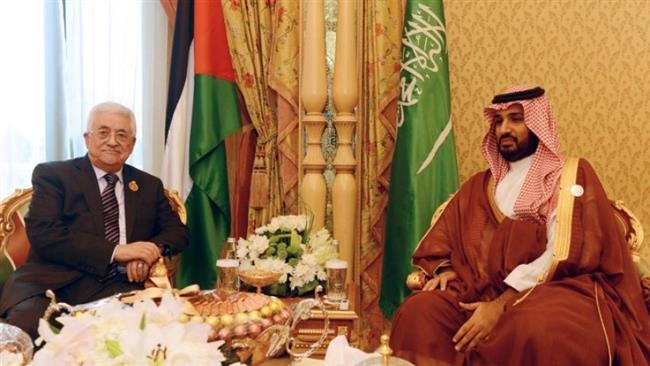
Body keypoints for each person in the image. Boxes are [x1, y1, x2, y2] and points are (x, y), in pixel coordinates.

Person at [389, 86, 650, 365]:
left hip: (555, 289)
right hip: (480, 289)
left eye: (516, 119)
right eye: (498, 121)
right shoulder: (481, 185)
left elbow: (561, 251)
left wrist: (501, 306)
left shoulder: (569, 176)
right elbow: (446, 236)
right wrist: (449, 269)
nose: (504, 129)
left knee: (534, 327)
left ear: (539, 123)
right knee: (419, 311)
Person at [0, 102, 189, 340]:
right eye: (103, 132)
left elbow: (178, 232)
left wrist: (147, 252)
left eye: (122, 135)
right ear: (87, 138)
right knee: (27, 335)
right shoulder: (53, 176)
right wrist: (118, 251)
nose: (112, 141)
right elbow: (44, 235)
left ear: (132, 144)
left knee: (153, 334)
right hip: (51, 283)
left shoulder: (148, 185)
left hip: (118, 285)